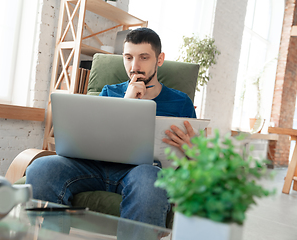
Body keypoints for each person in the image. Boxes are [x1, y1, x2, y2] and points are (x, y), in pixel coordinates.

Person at [26, 28, 196, 228]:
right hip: (95, 166)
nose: (135, 66)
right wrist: (127, 102)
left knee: (150, 182)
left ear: (159, 60)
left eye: (144, 57)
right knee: (40, 169)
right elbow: (92, 137)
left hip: (144, 171)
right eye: (128, 57)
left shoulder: (181, 102)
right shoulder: (109, 91)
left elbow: (196, 158)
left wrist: (193, 153)